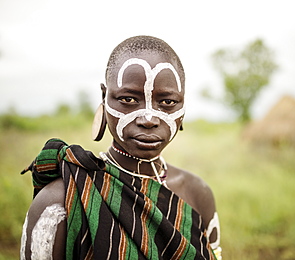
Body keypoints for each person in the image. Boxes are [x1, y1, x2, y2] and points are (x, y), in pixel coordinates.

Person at [20, 35, 221, 259]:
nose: (148, 118)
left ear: (183, 106)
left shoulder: (197, 193)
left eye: (167, 102)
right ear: (105, 97)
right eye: (128, 99)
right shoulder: (58, 202)